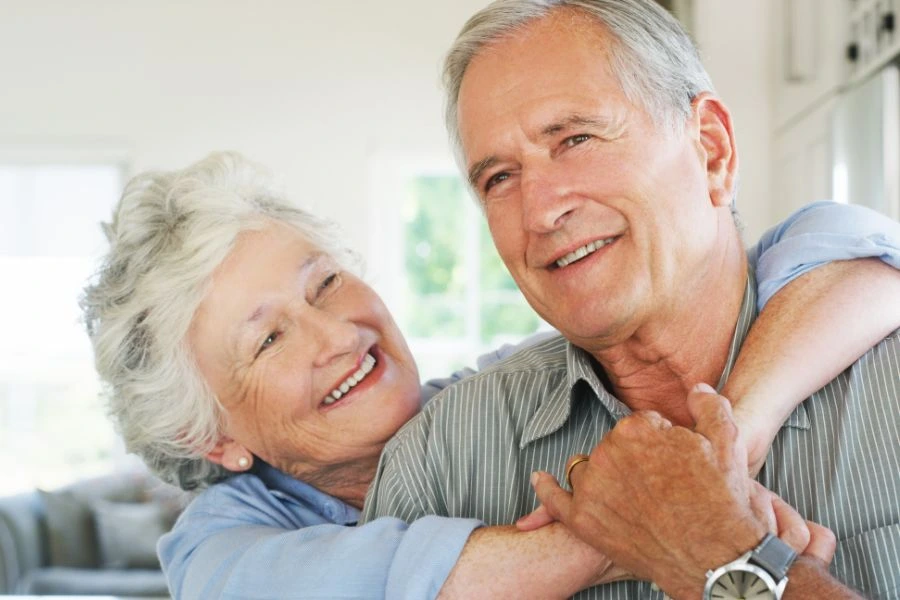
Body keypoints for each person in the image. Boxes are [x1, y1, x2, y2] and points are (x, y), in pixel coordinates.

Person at [80, 151, 900, 600]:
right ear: (210, 436)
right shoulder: (218, 551)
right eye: (267, 342)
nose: (336, 334)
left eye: (325, 281)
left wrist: (728, 441)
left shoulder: (503, 404)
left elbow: (845, 248)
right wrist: (659, 526)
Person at [362, 1, 900, 598]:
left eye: (576, 138)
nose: (540, 212)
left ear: (712, 150)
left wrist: (723, 552)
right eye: (500, 179)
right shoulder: (437, 462)